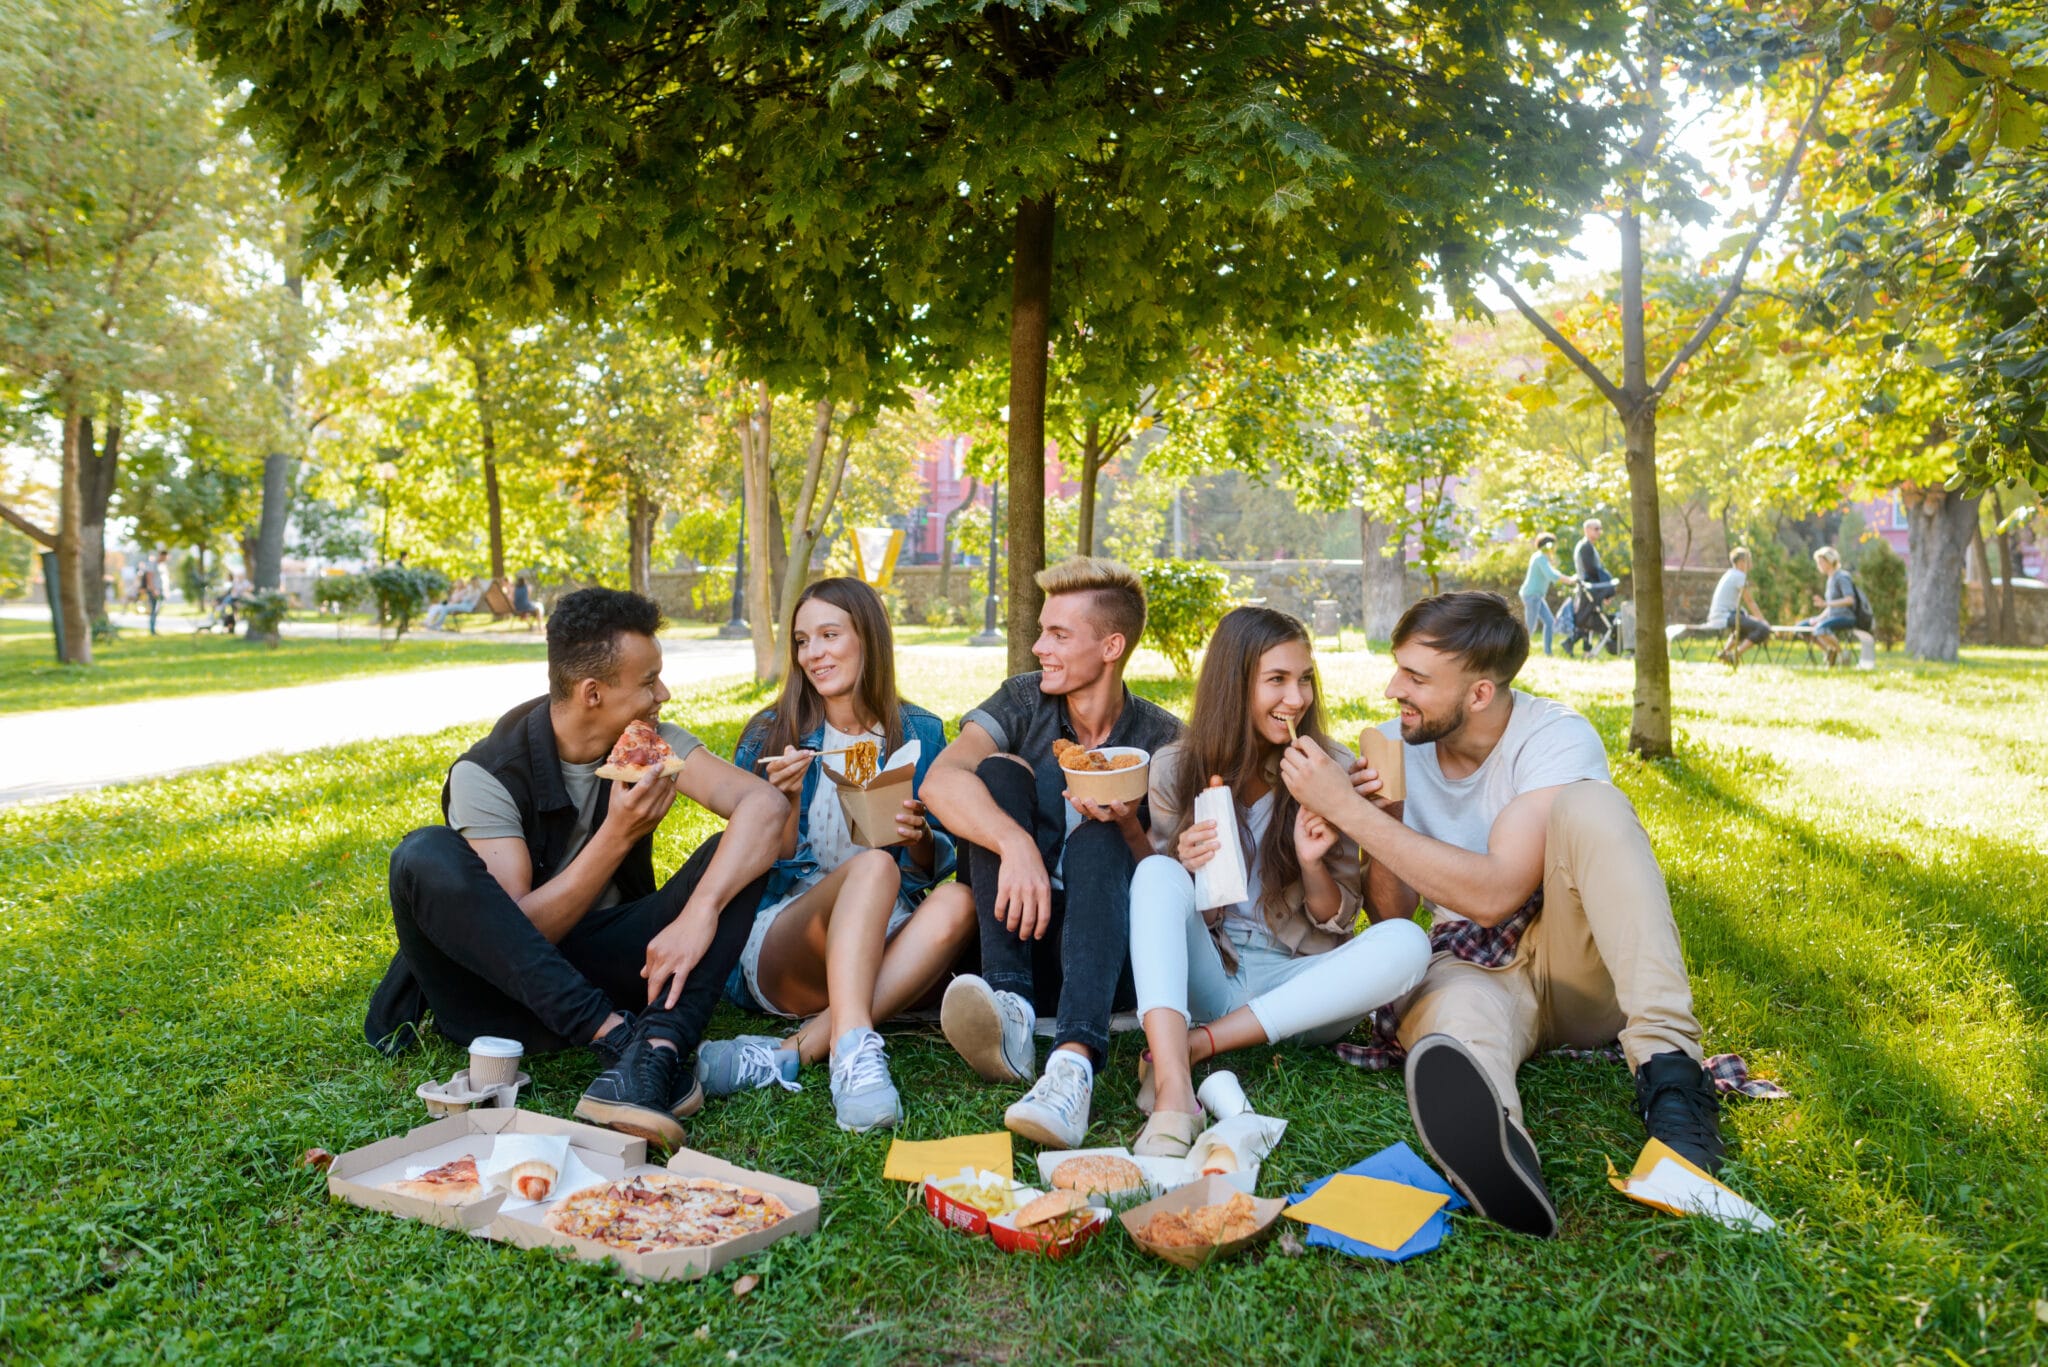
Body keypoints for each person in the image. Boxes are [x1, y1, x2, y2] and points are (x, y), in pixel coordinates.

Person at [1276, 591, 1723, 1238]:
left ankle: (1673, 1075)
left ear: (1480, 693)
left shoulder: (1553, 737)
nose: (1394, 689)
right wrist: (1385, 820)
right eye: (1399, 669)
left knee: (1594, 806)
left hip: (1572, 963)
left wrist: (1349, 811)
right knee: (1456, 1027)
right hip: (1470, 965)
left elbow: (1495, 894)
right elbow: (1394, 915)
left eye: (1416, 678)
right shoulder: (1398, 745)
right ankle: (1503, 1152)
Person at [363, 587, 786, 1149]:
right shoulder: (487, 774)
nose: (663, 694)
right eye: (649, 681)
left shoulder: (648, 739)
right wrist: (616, 836)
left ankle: (656, 1050)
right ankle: (624, 1043)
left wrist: (699, 913)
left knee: (734, 854)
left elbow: (765, 808)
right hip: (498, 1004)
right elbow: (515, 941)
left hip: (608, 971)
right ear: (593, 693)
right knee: (423, 852)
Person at [1126, 607, 1431, 1157]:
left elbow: (1338, 920)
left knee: (1409, 943)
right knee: (1155, 871)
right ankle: (1174, 1094)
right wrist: (1189, 868)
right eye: (1277, 680)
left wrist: (1313, 863)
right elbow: (1173, 916)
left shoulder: (1330, 767)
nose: (1297, 698)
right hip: (1213, 973)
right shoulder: (1174, 767)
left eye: (1305, 679)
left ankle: (1195, 1046)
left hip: (1301, 991)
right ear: (1234, 683)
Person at [921, 556, 1184, 1149]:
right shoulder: (1023, 701)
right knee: (995, 774)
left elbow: (1174, 887)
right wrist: (1014, 844)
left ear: (1111, 646)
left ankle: (1073, 1064)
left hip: (1105, 961)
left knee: (1100, 832)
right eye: (1042, 631)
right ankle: (1010, 1011)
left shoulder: (1162, 739)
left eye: (1059, 635)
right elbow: (941, 781)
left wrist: (1128, 827)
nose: (1040, 647)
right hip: (1011, 935)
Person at [712, 578, 977, 1132]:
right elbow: (755, 868)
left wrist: (917, 838)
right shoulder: (772, 733)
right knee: (873, 865)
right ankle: (854, 1053)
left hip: (883, 935)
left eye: (829, 635)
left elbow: (932, 863)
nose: (813, 654)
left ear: (868, 639)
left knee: (959, 903)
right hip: (790, 933)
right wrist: (783, 801)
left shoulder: (920, 731)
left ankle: (795, 1051)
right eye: (802, 641)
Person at [1706, 547, 1771, 665]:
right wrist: (1763, 621)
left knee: (1745, 625)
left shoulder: (1729, 574)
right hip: (1724, 616)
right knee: (1763, 629)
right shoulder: (1739, 576)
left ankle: (1725, 653)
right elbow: (1750, 601)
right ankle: (1735, 655)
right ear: (1741, 562)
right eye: (1749, 561)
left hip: (1718, 615)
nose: (1751, 565)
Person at [1565, 520, 1617, 657]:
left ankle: (1585, 650)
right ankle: (1570, 642)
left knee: (1588, 618)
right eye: (1596, 528)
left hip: (1589, 589)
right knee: (1585, 619)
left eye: (1600, 528)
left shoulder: (1588, 546)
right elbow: (1591, 571)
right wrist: (1604, 590)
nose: (1599, 531)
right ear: (1587, 530)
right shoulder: (1585, 547)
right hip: (1588, 589)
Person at [1517, 534, 1575, 657]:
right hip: (1532, 596)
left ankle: (1548, 652)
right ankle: (1518, 652)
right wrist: (1569, 580)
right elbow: (1552, 575)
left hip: (1537, 596)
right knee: (1530, 627)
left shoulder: (1542, 557)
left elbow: (1552, 572)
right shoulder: (1540, 557)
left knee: (1549, 622)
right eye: (1553, 545)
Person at [1804, 546, 1859, 664]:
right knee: (1802, 627)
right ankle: (1830, 652)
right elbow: (1830, 607)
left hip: (1845, 616)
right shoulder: (1830, 579)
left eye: (1821, 562)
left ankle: (1841, 654)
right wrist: (1819, 618)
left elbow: (1850, 600)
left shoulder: (1842, 577)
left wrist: (1825, 603)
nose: (1818, 565)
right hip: (1832, 615)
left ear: (1829, 561)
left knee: (1820, 629)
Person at [145, 550, 170, 635]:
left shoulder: (163, 566)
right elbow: (149, 577)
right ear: (160, 555)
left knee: (157, 610)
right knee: (154, 610)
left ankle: (154, 628)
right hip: (154, 591)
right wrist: (153, 590)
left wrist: (166, 591)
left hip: (161, 590)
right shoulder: (153, 564)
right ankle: (152, 630)